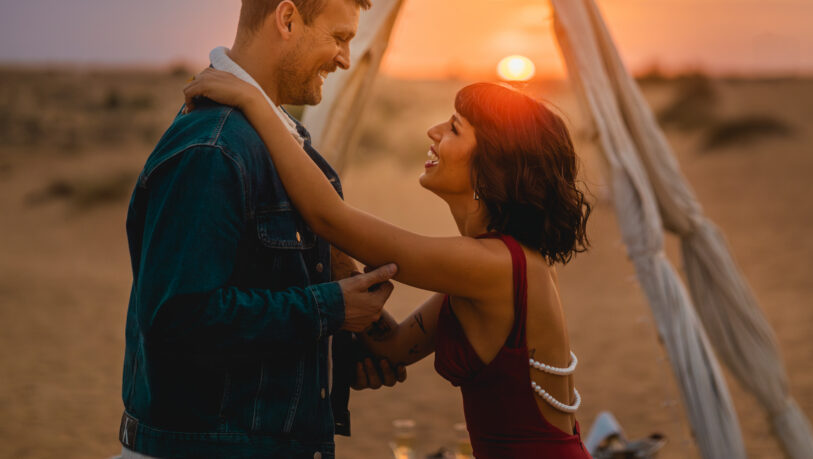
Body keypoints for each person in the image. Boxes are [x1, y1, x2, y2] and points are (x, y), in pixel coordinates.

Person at [183, 72, 596, 459]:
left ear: (496, 164)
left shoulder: (496, 265)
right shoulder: (485, 267)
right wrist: (347, 284)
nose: (433, 132)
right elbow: (391, 347)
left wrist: (253, 103)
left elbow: (329, 218)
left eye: (454, 128)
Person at [120, 0, 406, 459]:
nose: (345, 57)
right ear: (288, 19)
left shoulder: (274, 138)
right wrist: (332, 310)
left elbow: (265, 283)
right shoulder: (213, 148)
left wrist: (343, 345)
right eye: (339, 37)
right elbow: (179, 320)